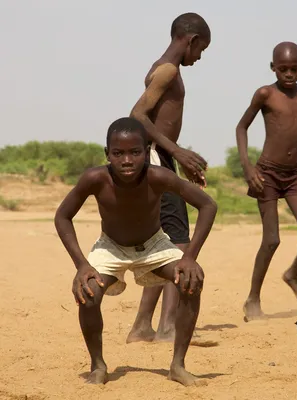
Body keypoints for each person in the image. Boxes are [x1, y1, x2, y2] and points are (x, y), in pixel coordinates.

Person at [54, 118, 217, 385]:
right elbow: (62, 217)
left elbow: (207, 205)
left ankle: (178, 366)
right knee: (89, 292)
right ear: (107, 154)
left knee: (191, 280)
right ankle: (98, 366)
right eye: (118, 153)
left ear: (147, 152)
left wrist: (189, 257)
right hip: (111, 246)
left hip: (154, 245)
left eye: (135, 152)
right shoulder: (95, 179)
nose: (127, 160)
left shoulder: (159, 176)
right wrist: (81, 264)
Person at [127, 12, 211, 343]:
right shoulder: (167, 70)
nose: (200, 57)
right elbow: (137, 115)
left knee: (167, 244)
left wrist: (177, 158)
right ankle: (167, 329)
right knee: (179, 245)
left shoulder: (165, 68)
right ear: (190, 41)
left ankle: (142, 326)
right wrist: (176, 153)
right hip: (156, 160)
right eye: (201, 49)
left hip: (160, 160)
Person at [235, 42, 297, 321]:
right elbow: (241, 127)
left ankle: (292, 274)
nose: (288, 74)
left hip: (294, 176)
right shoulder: (265, 94)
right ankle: (252, 300)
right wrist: (248, 167)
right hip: (267, 175)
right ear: (273, 67)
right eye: (282, 68)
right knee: (271, 240)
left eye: (294, 68)